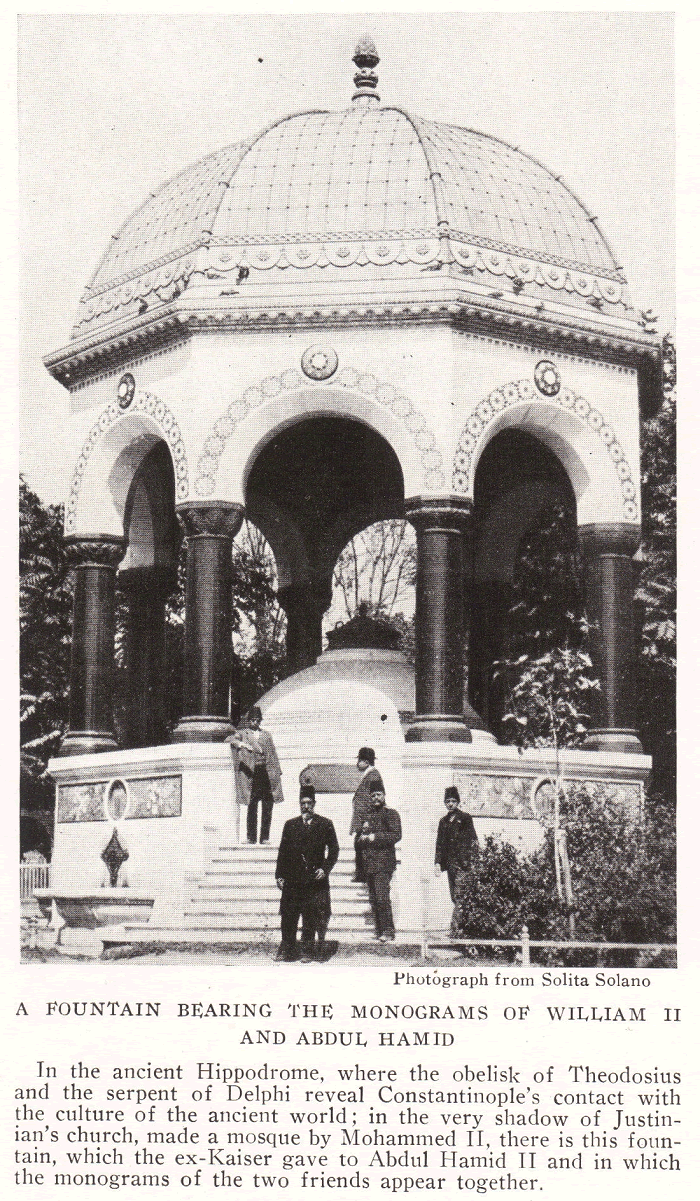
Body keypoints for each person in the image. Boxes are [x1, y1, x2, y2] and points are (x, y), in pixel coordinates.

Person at [275, 784, 339, 962]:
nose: (306, 807)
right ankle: (287, 950)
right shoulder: (290, 825)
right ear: (299, 804)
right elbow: (282, 852)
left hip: (313, 880)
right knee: (288, 915)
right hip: (292, 879)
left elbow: (334, 850)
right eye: (303, 803)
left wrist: (325, 869)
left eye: (309, 803)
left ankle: (307, 951)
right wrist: (279, 875)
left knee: (310, 915)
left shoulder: (325, 824)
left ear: (315, 804)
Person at [227, 706, 283, 844]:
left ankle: (264, 837)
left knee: (267, 805)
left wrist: (277, 772)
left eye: (257, 720)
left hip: (266, 772)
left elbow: (273, 753)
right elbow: (229, 740)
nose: (255, 723)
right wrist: (243, 745)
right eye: (252, 720)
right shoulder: (243, 733)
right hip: (252, 772)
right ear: (248, 721)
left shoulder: (266, 735)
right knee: (252, 805)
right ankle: (251, 837)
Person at [357, 781, 402, 943]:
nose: (376, 798)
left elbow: (396, 835)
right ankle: (379, 931)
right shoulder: (367, 815)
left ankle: (388, 931)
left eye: (379, 795)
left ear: (384, 796)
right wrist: (361, 839)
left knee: (382, 898)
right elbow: (361, 838)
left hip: (383, 864)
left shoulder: (391, 814)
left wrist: (374, 837)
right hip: (369, 865)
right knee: (374, 899)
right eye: (373, 795)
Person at [434, 786, 479, 934]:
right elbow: (439, 843)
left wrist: (472, 860)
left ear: (458, 802)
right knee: (454, 896)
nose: (450, 804)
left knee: (460, 895)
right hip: (450, 865)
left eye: (453, 801)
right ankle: (462, 928)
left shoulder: (465, 818)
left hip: (463, 864)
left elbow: (473, 840)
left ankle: (455, 929)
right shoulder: (443, 821)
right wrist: (437, 863)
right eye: (448, 801)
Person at [349, 747, 383, 883]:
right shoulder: (369, 774)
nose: (358, 763)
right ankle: (361, 874)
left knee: (362, 846)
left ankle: (363, 875)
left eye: (360, 760)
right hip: (362, 819)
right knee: (359, 845)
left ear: (366, 762)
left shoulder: (373, 775)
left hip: (366, 820)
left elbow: (375, 800)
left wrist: (368, 820)